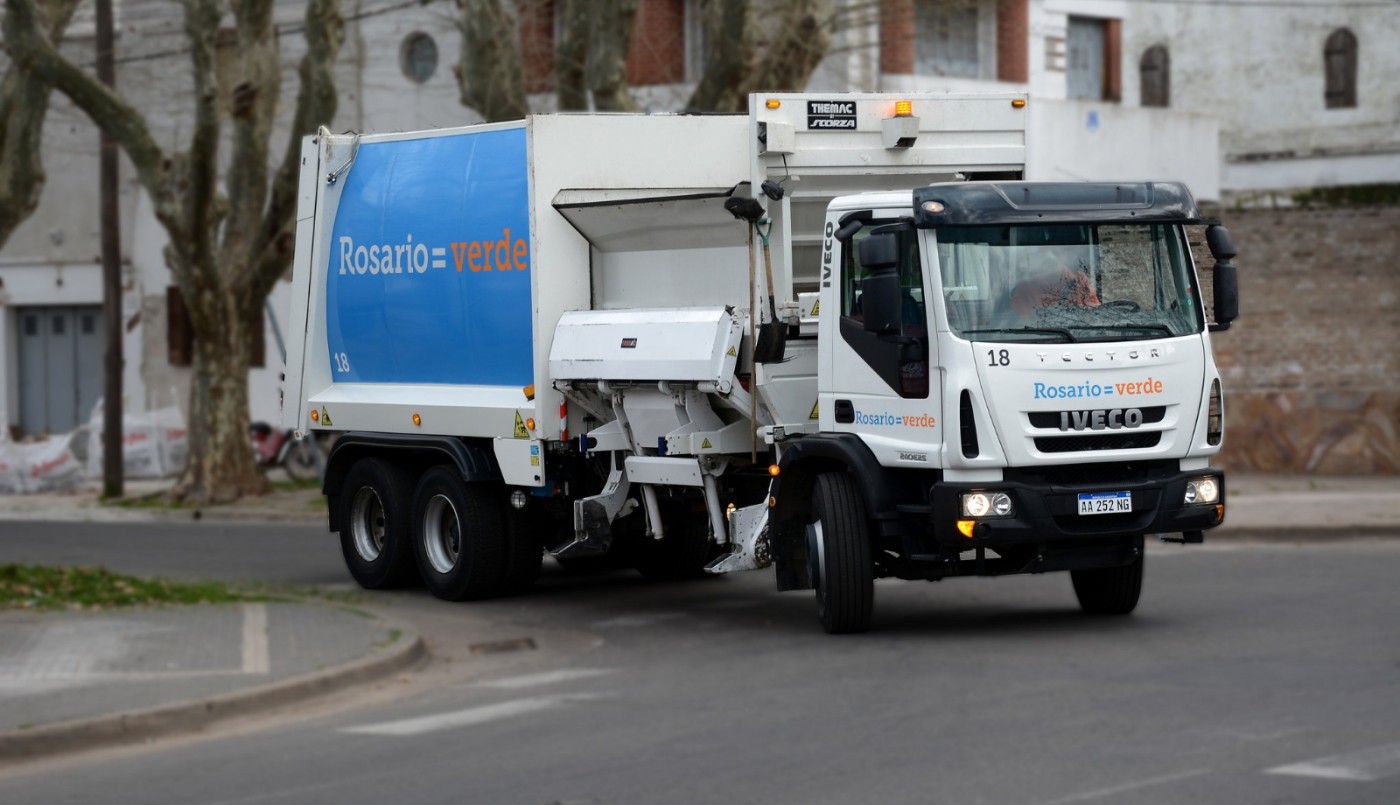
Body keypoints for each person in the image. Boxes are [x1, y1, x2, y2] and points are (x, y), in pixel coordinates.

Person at [1009, 250, 1100, 316]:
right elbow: (1020, 325)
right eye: (1044, 261)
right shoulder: (1025, 290)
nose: (1048, 266)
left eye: (1056, 251)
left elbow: (1095, 315)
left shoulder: (1080, 283)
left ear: (1064, 256)